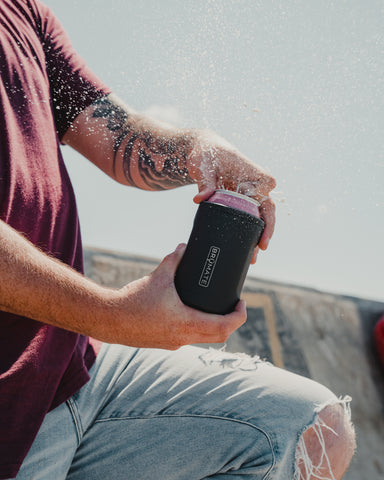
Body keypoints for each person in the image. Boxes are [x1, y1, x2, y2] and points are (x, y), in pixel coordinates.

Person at [0, 1, 355, 479]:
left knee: (317, 431)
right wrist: (111, 314)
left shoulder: (21, 13)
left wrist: (194, 150)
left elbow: (116, 136)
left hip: (76, 371)